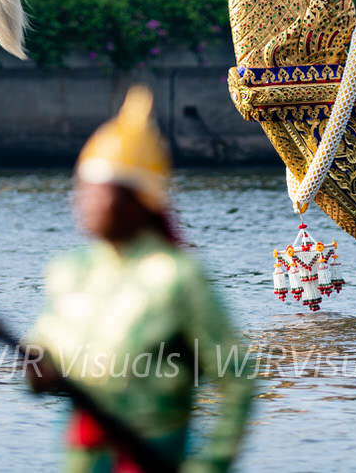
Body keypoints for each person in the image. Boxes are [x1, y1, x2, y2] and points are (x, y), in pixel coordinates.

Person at [23, 87, 255, 473]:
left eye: (100, 191)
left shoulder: (178, 278)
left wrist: (210, 465)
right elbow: (43, 356)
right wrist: (37, 370)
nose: (83, 201)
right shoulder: (69, 271)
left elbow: (238, 383)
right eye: (82, 188)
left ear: (138, 200)